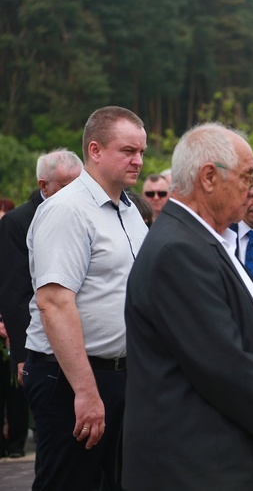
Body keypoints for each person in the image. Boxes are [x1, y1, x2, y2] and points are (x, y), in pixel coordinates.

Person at [122, 123, 253, 489]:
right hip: (198, 466)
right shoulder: (179, 250)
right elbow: (223, 363)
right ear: (208, 177)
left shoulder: (205, 239)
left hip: (220, 459)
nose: (251, 189)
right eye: (245, 176)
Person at [24, 106, 148, 490]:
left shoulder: (130, 211)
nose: (138, 161)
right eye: (128, 150)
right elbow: (55, 303)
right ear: (95, 150)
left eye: (142, 152)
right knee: (68, 482)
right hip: (71, 377)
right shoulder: (67, 211)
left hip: (119, 374)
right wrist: (86, 391)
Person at [0, 150, 83, 460]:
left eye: (79, 184)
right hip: (40, 347)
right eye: (65, 186)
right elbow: (16, 294)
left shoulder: (82, 213)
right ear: (43, 185)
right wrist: (21, 355)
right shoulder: (18, 222)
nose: (74, 193)